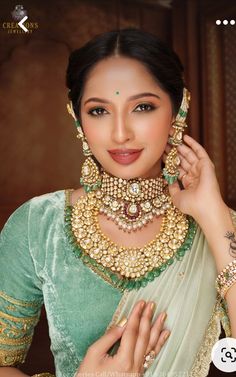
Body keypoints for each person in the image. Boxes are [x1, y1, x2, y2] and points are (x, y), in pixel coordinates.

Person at [0, 28, 235, 377]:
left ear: (179, 107)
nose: (120, 132)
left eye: (142, 107)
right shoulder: (38, 226)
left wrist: (215, 219)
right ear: (77, 117)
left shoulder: (220, 226)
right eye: (99, 111)